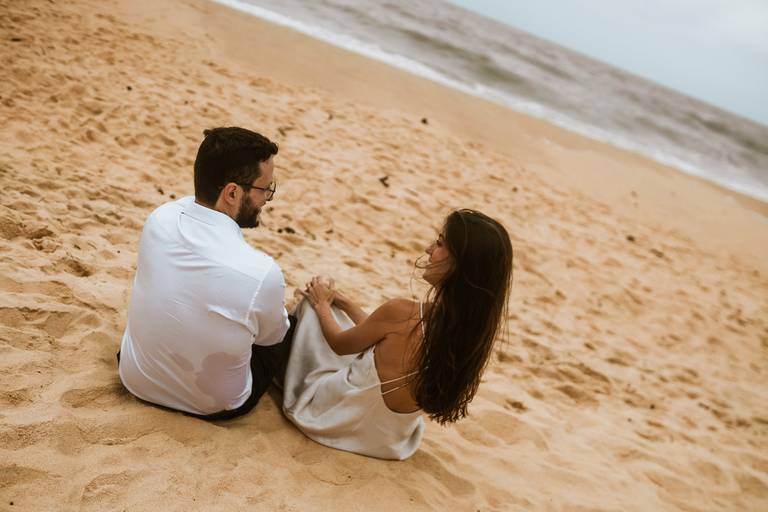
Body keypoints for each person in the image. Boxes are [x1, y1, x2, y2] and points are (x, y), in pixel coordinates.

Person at [282, 209, 513, 459]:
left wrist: (321, 305)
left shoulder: (402, 312)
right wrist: (343, 301)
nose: (428, 249)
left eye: (439, 244)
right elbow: (385, 335)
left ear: (459, 264)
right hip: (388, 441)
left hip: (332, 420)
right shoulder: (470, 334)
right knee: (337, 314)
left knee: (312, 309)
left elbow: (339, 344)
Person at [118, 127, 291, 420]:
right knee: (287, 327)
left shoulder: (160, 218)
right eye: (265, 189)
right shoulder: (262, 272)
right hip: (212, 406)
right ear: (232, 193)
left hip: (136, 378)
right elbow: (271, 337)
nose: (268, 199)